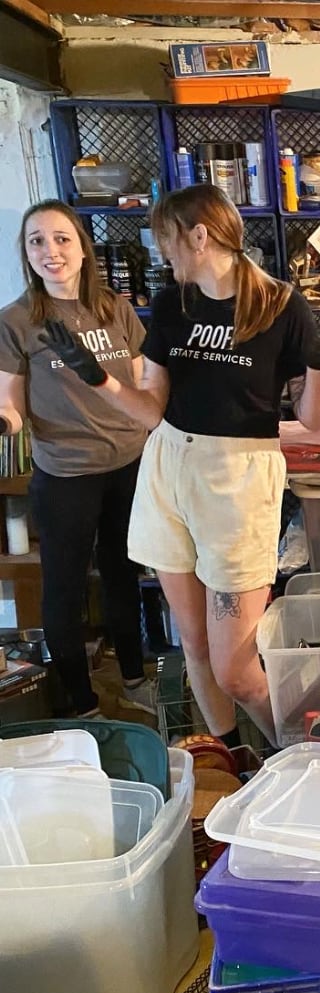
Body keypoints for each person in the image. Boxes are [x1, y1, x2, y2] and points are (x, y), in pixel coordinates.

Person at [44, 184, 320, 747]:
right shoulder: (174, 305)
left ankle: (308, 755)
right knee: (194, 644)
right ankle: (231, 759)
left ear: (199, 235)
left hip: (239, 479)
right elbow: (151, 409)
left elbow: (315, 418)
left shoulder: (280, 305)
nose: (162, 253)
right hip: (170, 465)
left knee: (234, 667)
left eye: (167, 240)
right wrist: (97, 378)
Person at [0, 199, 151, 719]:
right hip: (65, 475)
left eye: (61, 238)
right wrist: (2, 422)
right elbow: (10, 405)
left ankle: (134, 678)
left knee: (122, 575)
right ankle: (82, 704)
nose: (51, 251)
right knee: (63, 587)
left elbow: (143, 386)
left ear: (83, 249)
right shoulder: (17, 321)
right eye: (36, 240)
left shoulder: (114, 308)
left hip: (130, 464)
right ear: (26, 252)